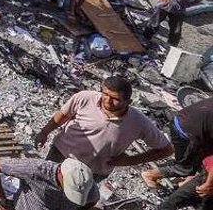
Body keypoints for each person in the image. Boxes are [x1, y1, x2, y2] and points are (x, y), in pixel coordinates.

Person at [36, 76, 173, 179]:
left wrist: (130, 160)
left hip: (92, 171)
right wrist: (44, 132)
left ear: (128, 101)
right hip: (61, 155)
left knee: (68, 201)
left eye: (116, 99)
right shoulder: (85, 98)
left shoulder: (139, 122)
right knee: (42, 183)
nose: (108, 100)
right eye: (105, 94)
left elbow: (166, 150)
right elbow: (62, 115)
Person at [141, 96, 213, 190]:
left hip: (183, 119)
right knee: (186, 168)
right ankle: (150, 175)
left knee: (195, 162)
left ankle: (183, 182)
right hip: (188, 131)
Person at [0, 156, 98, 210]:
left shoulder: (86, 183)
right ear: (60, 175)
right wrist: (2, 201)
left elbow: (93, 199)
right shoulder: (36, 169)